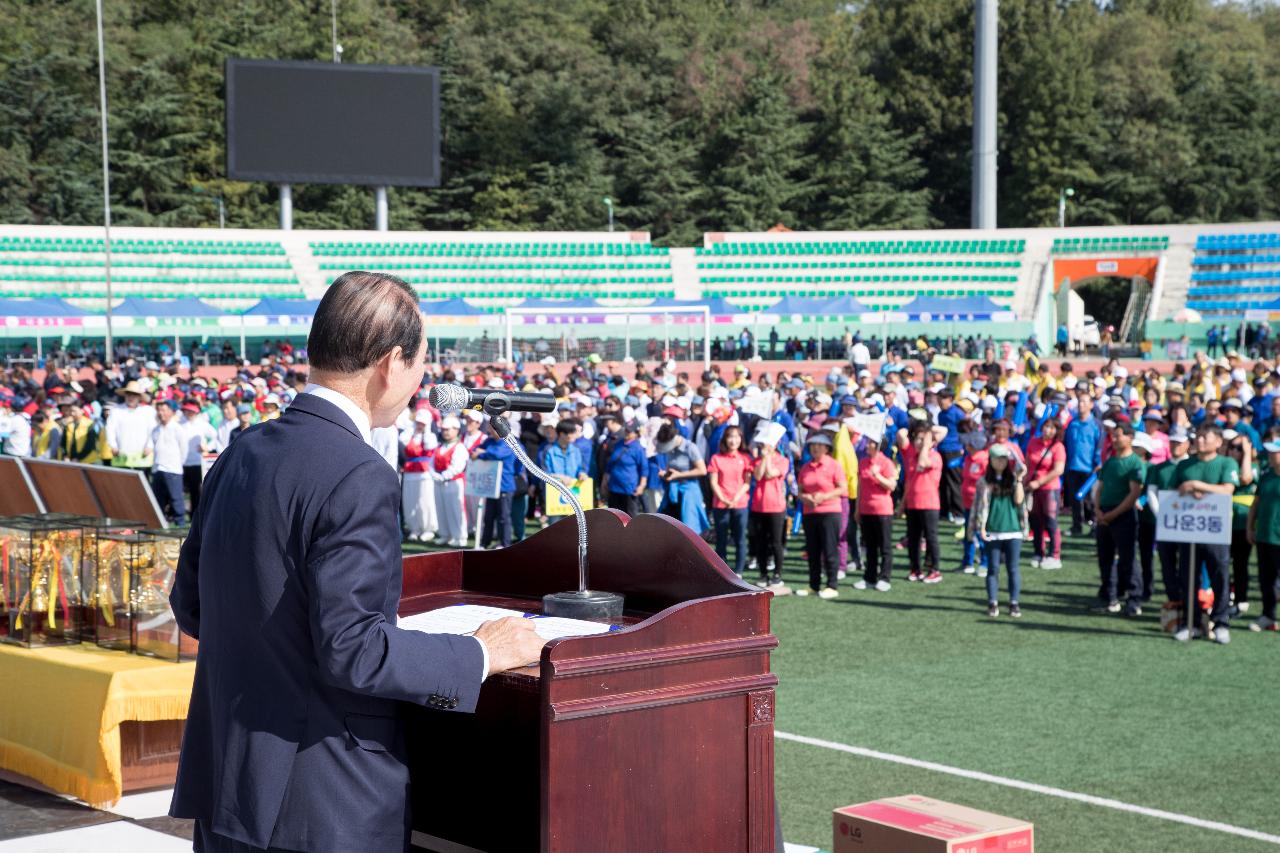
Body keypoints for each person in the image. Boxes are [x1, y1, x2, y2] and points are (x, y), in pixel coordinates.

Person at [168, 271, 546, 853]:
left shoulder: (243, 449)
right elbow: (355, 652)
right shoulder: (357, 472)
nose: (421, 380)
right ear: (391, 363)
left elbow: (192, 606)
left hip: (231, 779)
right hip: (323, 796)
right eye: (422, 363)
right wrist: (483, 652)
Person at [1171, 425, 1239, 643]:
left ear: (1218, 442)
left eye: (1205, 437)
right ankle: (1191, 622)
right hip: (1189, 528)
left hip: (1215, 529)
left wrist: (1197, 485)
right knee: (1188, 576)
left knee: (1219, 574)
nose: (1199, 441)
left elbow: (1228, 489)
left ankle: (1220, 622)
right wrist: (1185, 490)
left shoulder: (1226, 463)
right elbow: (1174, 492)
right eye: (1197, 437)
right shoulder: (1185, 465)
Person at [1092, 422, 1146, 616]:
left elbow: (1133, 494)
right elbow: (1100, 488)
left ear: (1130, 437)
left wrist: (1112, 514)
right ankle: (1109, 595)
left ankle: (1134, 598)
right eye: (1113, 436)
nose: (1114, 439)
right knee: (1105, 558)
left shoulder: (1134, 463)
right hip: (1105, 513)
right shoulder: (1110, 462)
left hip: (1123, 515)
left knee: (1128, 558)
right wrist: (1098, 509)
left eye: (1118, 436)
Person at [972, 444, 1027, 617]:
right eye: (998, 458)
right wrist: (977, 527)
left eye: (1004, 458)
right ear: (991, 460)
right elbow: (978, 507)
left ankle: (1014, 602)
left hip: (1013, 530)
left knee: (1013, 568)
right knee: (993, 568)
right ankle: (992, 602)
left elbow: (1019, 501)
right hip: (992, 531)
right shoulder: (983, 481)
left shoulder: (1013, 479)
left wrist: (1019, 479)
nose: (1001, 461)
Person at [795, 431, 847, 598]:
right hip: (810, 512)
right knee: (813, 550)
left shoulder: (834, 465)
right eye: (812, 445)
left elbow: (842, 488)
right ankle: (814, 584)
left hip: (830, 512)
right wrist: (806, 498)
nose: (815, 448)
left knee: (830, 549)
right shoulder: (806, 467)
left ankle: (832, 585)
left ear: (826, 448)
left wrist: (824, 496)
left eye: (818, 445)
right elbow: (800, 490)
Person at [1142, 427, 1190, 606]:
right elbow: (1152, 492)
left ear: (1187, 444)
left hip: (1187, 523)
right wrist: (1161, 514)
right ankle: (1173, 598)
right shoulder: (1159, 468)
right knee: (1167, 562)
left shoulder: (1191, 465)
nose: (1175, 446)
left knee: (1187, 563)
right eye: (1173, 442)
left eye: (1179, 442)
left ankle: (1187, 598)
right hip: (1165, 522)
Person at [898, 421, 946, 583]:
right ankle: (915, 568)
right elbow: (909, 482)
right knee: (913, 538)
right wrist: (902, 504)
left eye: (922, 439)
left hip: (930, 503)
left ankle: (935, 569)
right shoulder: (912, 457)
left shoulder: (935, 456)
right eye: (917, 439)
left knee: (931, 537)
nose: (919, 442)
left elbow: (924, 463)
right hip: (913, 503)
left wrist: (927, 443)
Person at [749, 423, 791, 595]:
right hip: (758, 506)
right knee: (761, 542)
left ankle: (777, 574)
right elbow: (758, 475)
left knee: (776, 542)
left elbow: (771, 473)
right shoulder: (756, 461)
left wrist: (767, 457)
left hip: (776, 507)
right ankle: (763, 573)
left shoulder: (783, 460)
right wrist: (764, 458)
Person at [854, 434, 897, 591]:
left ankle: (885, 577)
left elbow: (891, 486)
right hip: (866, 509)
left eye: (871, 442)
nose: (867, 445)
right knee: (870, 546)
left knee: (884, 545)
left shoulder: (886, 463)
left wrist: (878, 475)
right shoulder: (863, 462)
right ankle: (869, 577)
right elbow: (860, 487)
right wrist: (857, 509)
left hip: (882, 510)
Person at [1246, 440, 1280, 632]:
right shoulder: (1266, 477)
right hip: (1264, 536)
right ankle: (1268, 616)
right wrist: (1251, 528)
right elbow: (1255, 504)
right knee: (1265, 579)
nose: (1270, 455)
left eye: (1274, 452)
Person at [708, 425, 751, 576]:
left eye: (737, 437)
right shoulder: (716, 458)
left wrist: (735, 498)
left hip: (740, 503)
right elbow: (713, 482)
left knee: (740, 538)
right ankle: (722, 571)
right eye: (730, 437)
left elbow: (747, 483)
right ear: (725, 439)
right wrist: (724, 498)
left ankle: (738, 571)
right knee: (721, 538)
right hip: (720, 504)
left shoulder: (745, 459)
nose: (734, 440)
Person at [655, 415, 709, 533]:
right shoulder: (671, 450)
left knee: (689, 528)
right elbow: (670, 468)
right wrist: (666, 475)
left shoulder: (690, 447)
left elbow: (702, 470)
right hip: (673, 492)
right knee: (667, 527)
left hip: (688, 491)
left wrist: (679, 475)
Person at [1024, 417, 1066, 569]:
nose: (1048, 430)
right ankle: (1038, 552)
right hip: (1033, 488)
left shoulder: (1058, 447)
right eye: (1046, 427)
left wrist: (1039, 482)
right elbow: (1028, 465)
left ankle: (1054, 555)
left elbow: (1058, 470)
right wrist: (1025, 483)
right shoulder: (1033, 442)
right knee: (1035, 521)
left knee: (1050, 521)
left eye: (1051, 428)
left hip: (1050, 489)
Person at [475, 417, 521, 549]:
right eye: (491, 427)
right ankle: (484, 543)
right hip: (490, 484)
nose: (490, 430)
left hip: (505, 485)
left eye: (493, 427)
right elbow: (476, 450)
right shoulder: (489, 441)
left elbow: (498, 454)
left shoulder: (510, 441)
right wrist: (480, 453)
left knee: (503, 517)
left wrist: (482, 454)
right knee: (488, 516)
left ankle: (505, 543)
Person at [1225, 432, 1255, 616]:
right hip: (1222, 522)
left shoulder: (1255, 467)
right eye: (1232, 447)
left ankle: (1240, 599)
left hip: (1242, 523)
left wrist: (1247, 453)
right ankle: (1222, 597)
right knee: (1220, 563)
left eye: (1239, 448)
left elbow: (1246, 478)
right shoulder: (1224, 465)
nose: (1235, 451)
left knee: (1240, 564)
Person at [1064, 393, 1102, 535]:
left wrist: (1098, 463)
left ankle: (1094, 526)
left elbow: (1099, 445)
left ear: (1091, 405)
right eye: (1079, 402)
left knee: (1092, 499)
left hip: (1090, 469)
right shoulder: (1072, 424)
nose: (1081, 405)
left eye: (1084, 402)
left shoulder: (1096, 425)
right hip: (1073, 467)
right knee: (1075, 499)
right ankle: (1076, 526)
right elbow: (1067, 445)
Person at [430, 415, 469, 547]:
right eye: (444, 429)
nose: (445, 432)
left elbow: (457, 467)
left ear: (456, 430)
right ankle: (445, 534)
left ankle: (460, 536)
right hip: (439, 483)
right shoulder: (440, 446)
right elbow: (431, 463)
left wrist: (442, 476)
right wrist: (434, 474)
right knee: (441, 509)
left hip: (454, 483)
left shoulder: (459, 447)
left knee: (455, 510)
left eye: (448, 429)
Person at [147, 400, 187, 526]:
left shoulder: (177, 429)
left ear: (171, 412)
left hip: (173, 469)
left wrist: (177, 463)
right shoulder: (155, 429)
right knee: (158, 499)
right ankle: (159, 523)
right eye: (159, 410)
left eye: (164, 410)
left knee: (176, 499)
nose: (161, 413)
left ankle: (180, 523)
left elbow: (183, 449)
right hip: (158, 467)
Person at [401, 406, 438, 542]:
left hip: (425, 473)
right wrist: (412, 430)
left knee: (425, 502)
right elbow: (402, 441)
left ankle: (428, 529)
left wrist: (426, 431)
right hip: (410, 471)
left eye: (423, 423)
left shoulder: (430, 436)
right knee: (410, 501)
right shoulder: (410, 434)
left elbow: (429, 446)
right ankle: (414, 528)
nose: (420, 425)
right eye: (418, 422)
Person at [106, 380, 155, 475]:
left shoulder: (148, 411)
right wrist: (113, 446)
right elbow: (110, 430)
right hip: (121, 454)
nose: (131, 397)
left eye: (134, 394)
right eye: (128, 394)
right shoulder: (116, 410)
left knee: (143, 485)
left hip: (142, 456)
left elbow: (152, 430)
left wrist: (149, 446)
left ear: (139, 397)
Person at [603, 418, 648, 515]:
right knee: (614, 517)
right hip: (614, 487)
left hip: (629, 489)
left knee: (629, 518)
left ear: (636, 433)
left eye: (629, 430)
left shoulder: (638, 448)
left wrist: (642, 485)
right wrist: (605, 480)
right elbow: (610, 463)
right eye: (626, 429)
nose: (626, 432)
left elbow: (644, 468)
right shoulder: (618, 444)